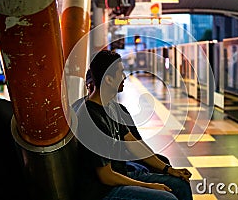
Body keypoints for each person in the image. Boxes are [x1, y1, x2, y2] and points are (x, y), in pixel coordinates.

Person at [75, 50, 193, 200]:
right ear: (109, 80)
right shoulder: (90, 118)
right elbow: (106, 177)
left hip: (121, 175)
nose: (124, 77)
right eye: (120, 73)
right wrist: (148, 186)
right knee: (167, 198)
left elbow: (133, 143)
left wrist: (169, 170)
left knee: (180, 184)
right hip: (104, 191)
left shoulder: (111, 107)